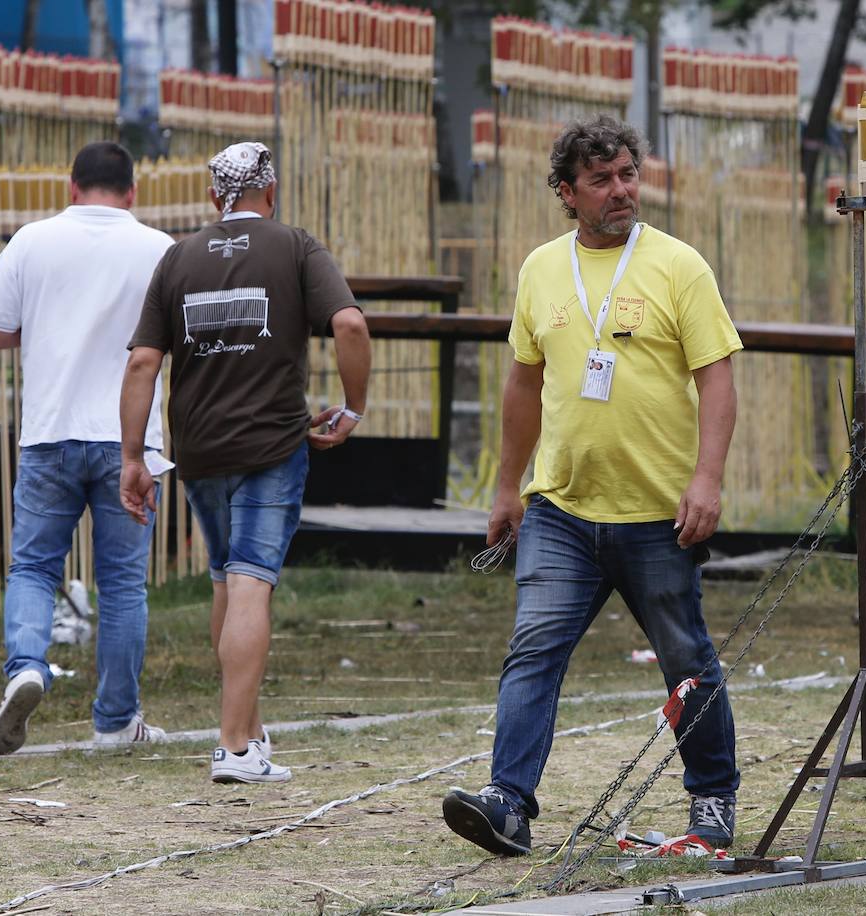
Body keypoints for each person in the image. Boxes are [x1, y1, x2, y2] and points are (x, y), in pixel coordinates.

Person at [442, 115, 742, 855]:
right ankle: (508, 803)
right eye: (602, 180)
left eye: (629, 175)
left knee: (685, 658)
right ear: (567, 192)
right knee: (534, 649)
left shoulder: (679, 265)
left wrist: (707, 479)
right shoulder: (542, 268)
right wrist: (508, 488)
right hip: (561, 511)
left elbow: (718, 377)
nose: (621, 191)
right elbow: (522, 383)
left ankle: (712, 802)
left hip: (658, 516)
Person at [119, 141, 371, 784]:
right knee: (253, 581)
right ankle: (232, 748)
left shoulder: (177, 256)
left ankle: (250, 731)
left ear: (213, 197)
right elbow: (349, 325)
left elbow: (143, 361)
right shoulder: (295, 247)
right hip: (271, 447)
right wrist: (353, 407)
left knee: (228, 581)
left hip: (199, 449)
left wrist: (132, 456)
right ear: (272, 188)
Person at [0, 142, 174, 755]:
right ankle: (116, 721)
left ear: (71, 186)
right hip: (131, 443)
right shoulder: (160, 249)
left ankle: (27, 668)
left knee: (34, 567)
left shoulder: (31, 241)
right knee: (121, 583)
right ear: (133, 192)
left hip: (49, 432)